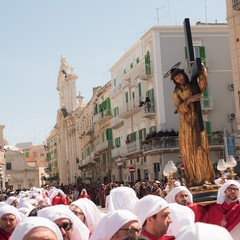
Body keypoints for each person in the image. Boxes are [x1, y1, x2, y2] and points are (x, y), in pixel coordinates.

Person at [165, 63, 214, 186]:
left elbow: (202, 85)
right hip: (186, 123)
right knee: (189, 150)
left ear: (184, 75)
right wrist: (189, 100)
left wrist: (202, 70)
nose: (179, 79)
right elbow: (179, 108)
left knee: (201, 147)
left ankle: (205, 178)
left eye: (180, 76)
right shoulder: (176, 93)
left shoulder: (193, 85)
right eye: (176, 78)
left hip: (197, 120)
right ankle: (193, 179)